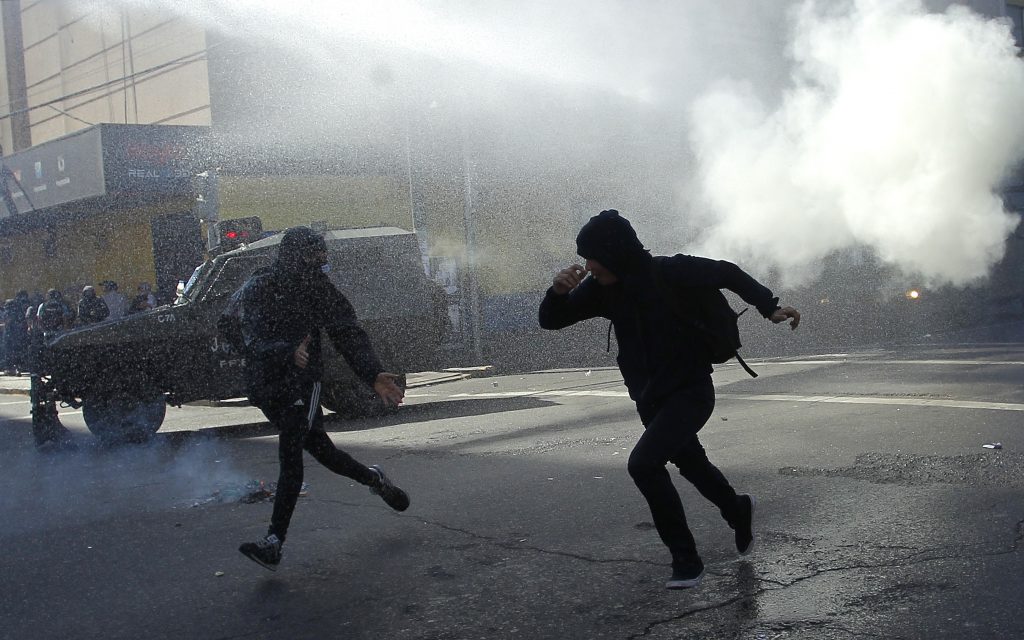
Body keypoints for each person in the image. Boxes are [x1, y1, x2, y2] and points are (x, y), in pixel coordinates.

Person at [538, 209, 801, 590]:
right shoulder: (602, 289)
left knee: (643, 464)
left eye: (591, 256)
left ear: (614, 252)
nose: (587, 265)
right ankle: (736, 508)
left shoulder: (670, 271)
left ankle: (686, 559)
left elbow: (726, 272)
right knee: (692, 463)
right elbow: (552, 320)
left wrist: (769, 306)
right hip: (649, 397)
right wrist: (557, 293)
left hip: (691, 390)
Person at [235, 226, 408, 571]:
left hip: (302, 384)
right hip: (269, 384)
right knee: (323, 451)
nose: (322, 265)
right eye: (316, 258)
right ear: (296, 256)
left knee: (291, 453)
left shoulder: (318, 287)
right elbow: (236, 328)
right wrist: (282, 350)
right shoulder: (258, 285)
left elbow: (347, 331)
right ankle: (374, 479)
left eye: (323, 259)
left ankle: (274, 542)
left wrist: (371, 373)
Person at [2, 290, 30, 375]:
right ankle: (18, 367)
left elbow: (8, 320)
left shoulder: (11, 307)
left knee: (9, 350)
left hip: (9, 332)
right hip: (19, 332)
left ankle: (11, 368)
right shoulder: (22, 307)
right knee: (18, 350)